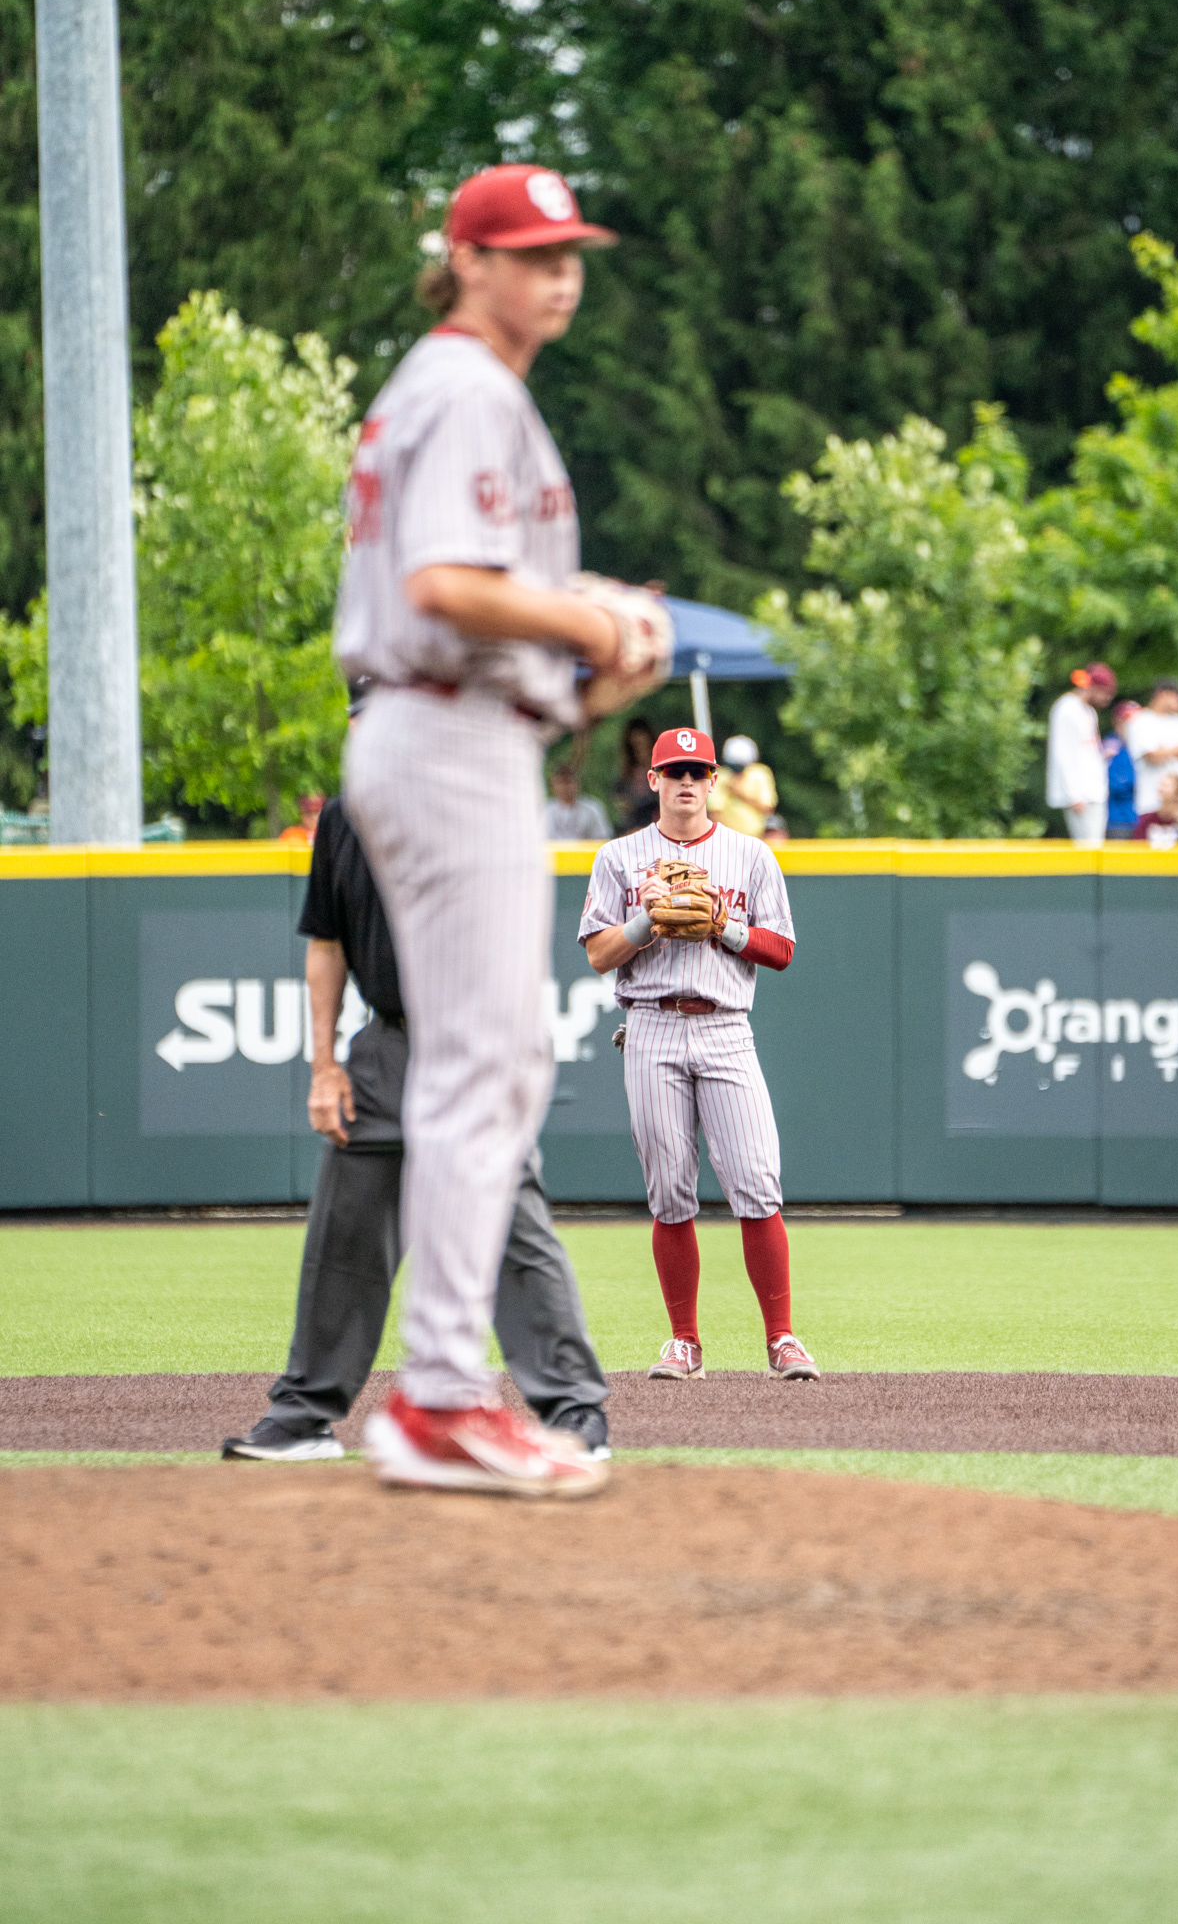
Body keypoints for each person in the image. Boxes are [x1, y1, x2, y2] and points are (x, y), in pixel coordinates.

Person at [335, 161, 668, 1498]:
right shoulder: (468, 387)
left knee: (492, 1056)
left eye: (568, 250)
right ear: (466, 260)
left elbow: (463, 597)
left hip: (451, 728)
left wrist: (590, 662)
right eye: (530, 252)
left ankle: (442, 1389)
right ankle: (439, 1396)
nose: (559, 272)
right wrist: (590, 616)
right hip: (444, 731)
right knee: (491, 1060)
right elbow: (442, 584)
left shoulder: (447, 387)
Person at [222, 792, 611, 1462]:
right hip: (387, 1040)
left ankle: (574, 1409)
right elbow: (328, 943)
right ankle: (304, 1414)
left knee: (512, 1225)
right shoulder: (344, 816)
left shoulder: (472, 797)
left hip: (471, 1038)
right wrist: (323, 1068)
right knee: (344, 1232)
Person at [578, 726, 818, 1381]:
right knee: (668, 1191)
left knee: (756, 1181)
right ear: (652, 780)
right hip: (650, 1023)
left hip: (724, 1026)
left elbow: (781, 951)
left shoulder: (750, 855)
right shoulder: (620, 858)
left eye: (696, 772)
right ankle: (683, 1342)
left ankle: (782, 1339)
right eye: (672, 771)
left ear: (714, 782)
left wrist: (723, 927)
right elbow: (599, 954)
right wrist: (643, 921)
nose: (685, 782)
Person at [1045, 663, 1115, 843]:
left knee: (1096, 846)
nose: (1106, 699)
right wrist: (1074, 795)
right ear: (1092, 687)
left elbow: (1087, 750)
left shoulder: (1089, 712)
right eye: (1104, 693)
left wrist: (1103, 754)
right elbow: (1063, 752)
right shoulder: (1067, 708)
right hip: (1080, 795)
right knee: (1086, 848)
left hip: (1094, 791)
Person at [1124, 679, 1178, 822]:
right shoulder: (1141, 721)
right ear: (1162, 695)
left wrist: (1166, 751)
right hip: (1151, 803)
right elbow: (1152, 756)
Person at [709, 734, 779, 839]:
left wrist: (739, 793)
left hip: (758, 839)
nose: (737, 772)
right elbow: (714, 812)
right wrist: (733, 838)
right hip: (727, 839)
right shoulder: (720, 777)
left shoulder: (760, 774)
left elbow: (768, 808)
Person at [1102, 699, 1140, 837]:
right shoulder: (1111, 747)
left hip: (1142, 816)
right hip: (1118, 820)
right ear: (1117, 722)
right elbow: (1116, 784)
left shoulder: (1142, 746)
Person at [611, 718, 658, 832]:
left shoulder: (662, 768)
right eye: (636, 745)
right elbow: (619, 797)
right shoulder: (626, 772)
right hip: (634, 824)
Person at [544, 762, 611, 841]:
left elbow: (603, 838)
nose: (565, 787)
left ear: (577, 783)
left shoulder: (592, 809)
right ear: (553, 784)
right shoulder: (545, 811)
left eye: (568, 782)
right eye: (561, 782)